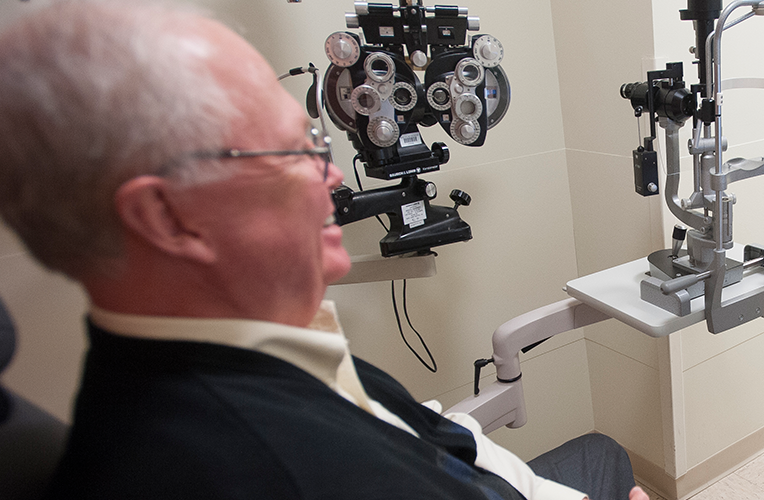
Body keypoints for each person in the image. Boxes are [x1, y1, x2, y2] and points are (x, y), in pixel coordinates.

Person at [0, 2, 648, 499]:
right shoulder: (271, 465)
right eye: (296, 152)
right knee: (613, 462)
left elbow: (413, 436)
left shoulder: (253, 344)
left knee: (604, 455)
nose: (332, 174)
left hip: (459, 461)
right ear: (167, 217)